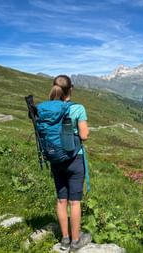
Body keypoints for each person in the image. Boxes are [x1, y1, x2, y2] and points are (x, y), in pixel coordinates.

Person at [49, 75, 90, 252]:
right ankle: (76, 241)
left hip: (56, 159)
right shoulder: (78, 108)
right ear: (70, 89)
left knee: (61, 200)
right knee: (74, 202)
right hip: (74, 159)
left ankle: (64, 239)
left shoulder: (48, 109)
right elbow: (84, 136)